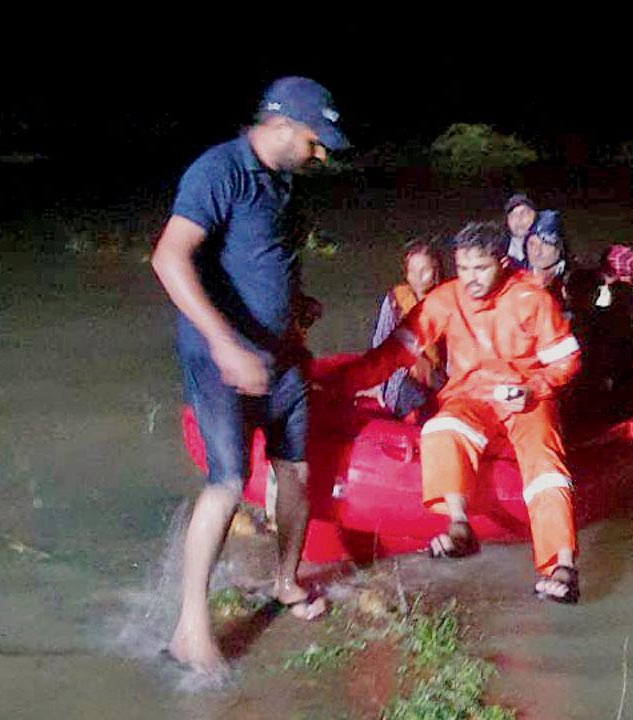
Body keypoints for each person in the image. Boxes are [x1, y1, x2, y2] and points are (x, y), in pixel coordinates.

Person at [150, 76, 348, 675]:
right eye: (315, 141)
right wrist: (225, 343)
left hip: (282, 354)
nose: (320, 155)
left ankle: (285, 582)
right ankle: (190, 627)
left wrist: (296, 303)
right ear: (282, 125)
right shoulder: (220, 170)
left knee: (296, 470)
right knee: (229, 482)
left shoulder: (284, 185)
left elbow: (263, 260)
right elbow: (169, 256)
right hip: (220, 360)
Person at [333, 221, 584, 603]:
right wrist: (339, 385)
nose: (470, 279)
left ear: (502, 261)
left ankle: (561, 566)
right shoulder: (444, 300)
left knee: (545, 465)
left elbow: (566, 362)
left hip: (527, 397)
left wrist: (533, 387)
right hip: (470, 396)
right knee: (442, 427)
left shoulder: (533, 299)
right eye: (463, 268)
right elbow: (393, 355)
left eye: (480, 268)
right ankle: (459, 526)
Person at [365, 238, 446, 420]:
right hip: (399, 374)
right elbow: (380, 343)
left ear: (437, 272)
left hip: (437, 377)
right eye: (412, 271)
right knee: (411, 394)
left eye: (425, 271)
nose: (418, 277)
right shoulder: (395, 300)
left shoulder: (448, 301)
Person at [524, 210, 568, 304]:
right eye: (532, 244)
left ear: (559, 247)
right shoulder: (516, 279)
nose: (537, 252)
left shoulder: (575, 280)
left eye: (546, 244)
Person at [503, 193, 537, 268]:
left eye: (524, 213)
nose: (518, 219)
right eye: (513, 215)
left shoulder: (550, 246)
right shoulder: (499, 251)